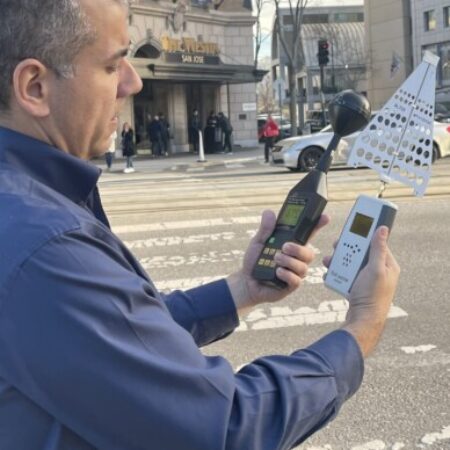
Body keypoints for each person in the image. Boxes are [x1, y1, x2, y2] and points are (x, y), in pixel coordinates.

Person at [0, 1, 401, 449]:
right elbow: (226, 426)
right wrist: (362, 326)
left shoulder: (27, 209)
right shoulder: (46, 245)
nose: (133, 81)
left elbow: (116, 338)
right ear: (34, 86)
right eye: (113, 65)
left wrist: (242, 289)